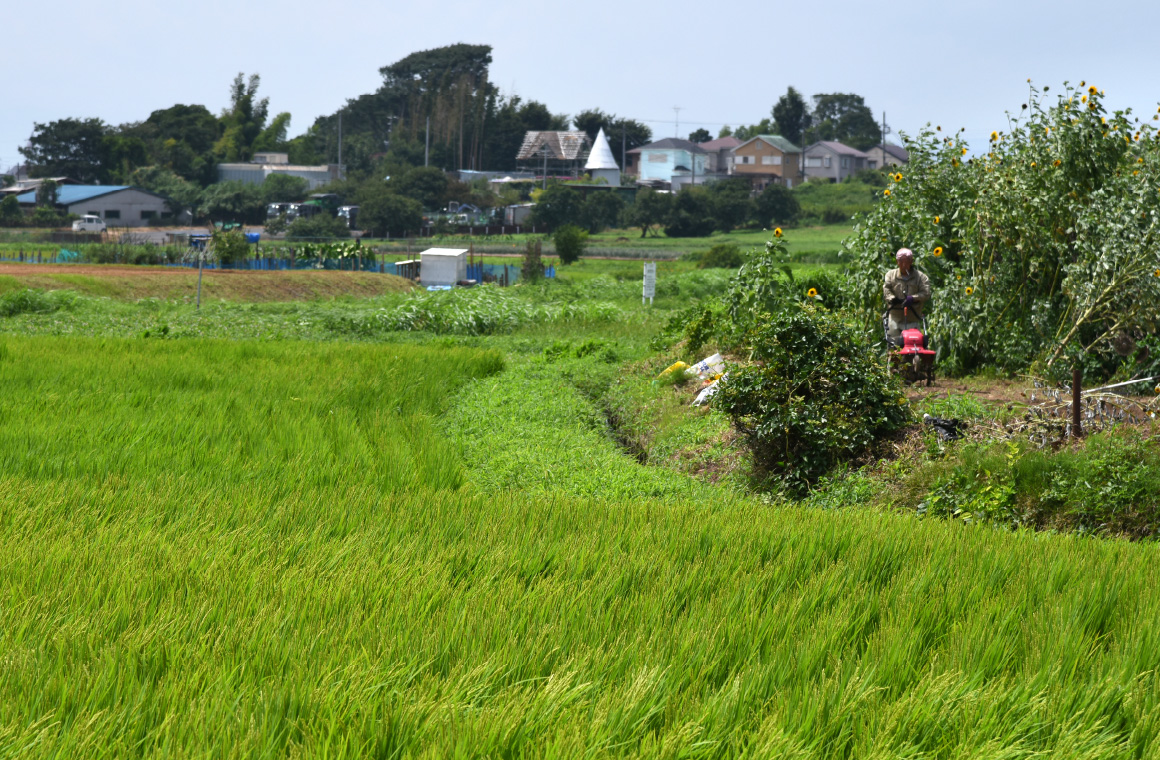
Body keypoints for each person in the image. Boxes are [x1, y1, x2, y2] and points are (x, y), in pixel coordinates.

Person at [883, 248, 931, 346]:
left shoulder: (921, 277)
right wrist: (892, 299)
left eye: (907, 261)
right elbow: (886, 289)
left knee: (915, 345)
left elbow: (926, 293)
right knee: (893, 347)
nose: (904, 265)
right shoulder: (890, 275)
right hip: (895, 319)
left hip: (912, 319)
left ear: (911, 261)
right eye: (901, 261)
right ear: (897, 262)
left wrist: (913, 298)